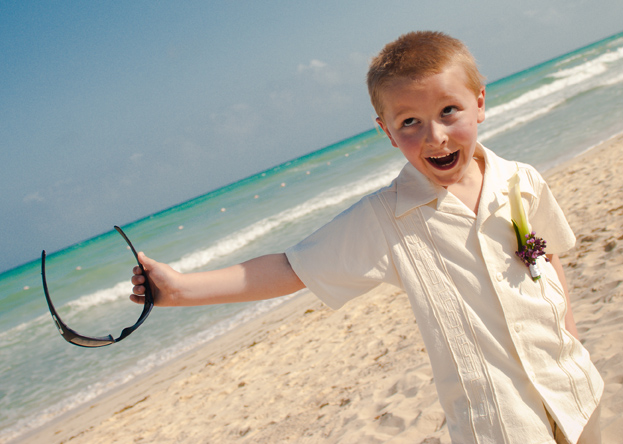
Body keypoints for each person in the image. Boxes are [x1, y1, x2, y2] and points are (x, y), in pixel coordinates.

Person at [130, 31, 603, 444]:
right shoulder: (385, 220)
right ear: (387, 132)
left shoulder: (521, 181)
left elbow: (547, 261)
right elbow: (292, 267)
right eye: (410, 122)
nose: (435, 136)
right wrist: (181, 289)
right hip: (501, 424)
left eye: (448, 111)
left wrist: (572, 344)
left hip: (576, 391)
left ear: (479, 102)